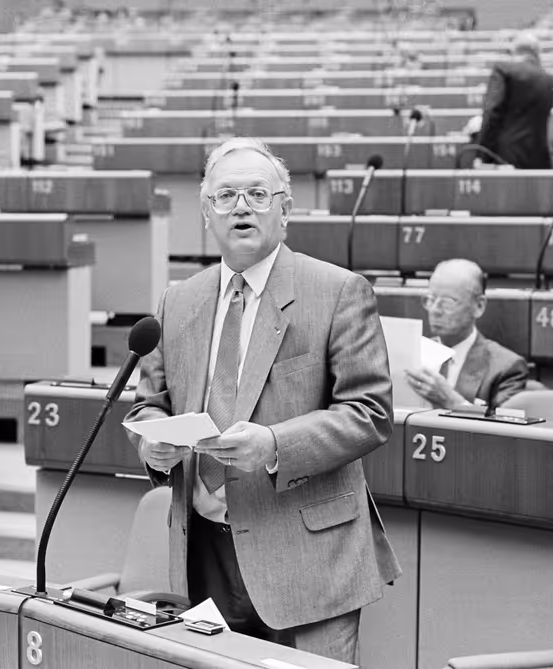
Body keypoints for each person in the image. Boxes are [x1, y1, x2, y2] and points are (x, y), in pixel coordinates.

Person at [124, 137, 400, 664]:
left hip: (308, 556)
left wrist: (274, 443)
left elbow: (369, 413)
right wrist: (152, 446)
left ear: (286, 209)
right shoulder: (177, 300)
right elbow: (150, 403)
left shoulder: (338, 291)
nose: (241, 207)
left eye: (257, 193)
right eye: (225, 196)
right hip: (204, 551)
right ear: (206, 213)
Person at [405, 259, 528, 410]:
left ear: (479, 306)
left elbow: (503, 429)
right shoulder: (412, 355)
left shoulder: (506, 368)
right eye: (430, 300)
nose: (435, 310)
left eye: (448, 302)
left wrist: (451, 401)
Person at [477, 32, 553, 169]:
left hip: (505, 159)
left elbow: (492, 112)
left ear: (514, 51)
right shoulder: (549, 80)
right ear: (537, 53)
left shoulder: (503, 70)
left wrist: (483, 155)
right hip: (540, 161)